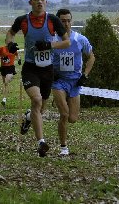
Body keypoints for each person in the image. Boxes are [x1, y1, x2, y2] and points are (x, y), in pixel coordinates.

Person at [5, 0, 71, 157]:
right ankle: (41, 142)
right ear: (30, 2)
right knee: (36, 100)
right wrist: (10, 44)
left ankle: (28, 119)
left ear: (46, 1)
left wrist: (50, 45)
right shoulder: (23, 20)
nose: (40, 2)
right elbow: (10, 33)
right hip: (30, 67)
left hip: (47, 69)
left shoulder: (53, 20)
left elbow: (66, 42)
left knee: (40, 109)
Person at [52, 9, 95, 156]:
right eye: (63, 21)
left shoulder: (80, 39)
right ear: (57, 22)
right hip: (58, 81)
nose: (66, 23)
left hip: (75, 82)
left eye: (68, 20)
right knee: (64, 114)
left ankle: (58, 101)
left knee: (72, 119)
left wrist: (85, 75)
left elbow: (91, 57)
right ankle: (63, 148)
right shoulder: (52, 39)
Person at [0, 40, 22, 107]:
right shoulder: (1, 48)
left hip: (11, 68)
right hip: (3, 68)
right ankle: (4, 99)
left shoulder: (13, 48)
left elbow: (17, 55)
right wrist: (2, 57)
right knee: (5, 84)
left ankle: (10, 77)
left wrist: (19, 60)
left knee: (6, 81)